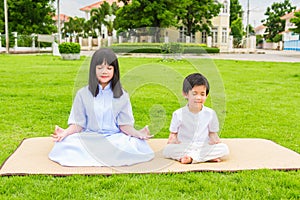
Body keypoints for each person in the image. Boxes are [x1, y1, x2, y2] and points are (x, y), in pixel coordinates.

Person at [49, 48, 154, 167]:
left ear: (115, 71)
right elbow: (78, 124)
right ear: (93, 70)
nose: (104, 72)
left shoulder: (122, 96)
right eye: (100, 68)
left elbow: (124, 125)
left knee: (132, 145)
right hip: (90, 138)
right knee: (66, 144)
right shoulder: (82, 94)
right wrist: (65, 133)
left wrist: (137, 134)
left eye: (109, 68)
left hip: (115, 138)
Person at [163, 73, 229, 164]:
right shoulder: (178, 114)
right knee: (167, 150)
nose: (198, 97)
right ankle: (203, 157)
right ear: (185, 94)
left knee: (224, 149)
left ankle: (191, 158)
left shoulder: (211, 114)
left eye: (202, 94)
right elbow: (172, 135)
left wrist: (218, 143)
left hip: (202, 146)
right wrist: (173, 142)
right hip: (185, 146)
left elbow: (213, 134)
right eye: (194, 93)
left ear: (206, 95)